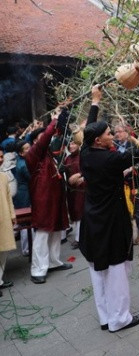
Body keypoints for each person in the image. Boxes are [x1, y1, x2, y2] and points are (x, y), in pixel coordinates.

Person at [79, 85, 139, 333]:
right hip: (112, 221)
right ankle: (120, 318)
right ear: (98, 140)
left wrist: (95, 101)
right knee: (116, 271)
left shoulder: (85, 154)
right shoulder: (111, 160)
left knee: (97, 271)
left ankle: (105, 317)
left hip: (92, 220)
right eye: (109, 134)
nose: (112, 136)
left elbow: (87, 129)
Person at [24, 110, 72, 284]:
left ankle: (53, 262)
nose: (48, 139)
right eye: (44, 137)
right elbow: (46, 139)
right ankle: (38, 269)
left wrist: (62, 117)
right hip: (43, 199)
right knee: (43, 232)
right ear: (37, 141)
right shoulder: (34, 154)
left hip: (55, 198)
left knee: (56, 231)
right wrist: (53, 121)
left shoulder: (48, 155)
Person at [114, 123, 139, 245]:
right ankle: (127, 234)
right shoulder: (114, 146)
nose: (117, 134)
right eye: (116, 132)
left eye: (120, 131)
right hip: (121, 182)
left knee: (137, 208)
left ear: (127, 132)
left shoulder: (133, 145)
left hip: (133, 181)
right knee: (125, 208)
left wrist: (129, 169)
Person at [63, 134, 86, 250]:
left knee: (80, 213)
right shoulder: (67, 158)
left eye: (74, 143)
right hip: (71, 191)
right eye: (70, 144)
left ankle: (79, 238)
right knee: (74, 213)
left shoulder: (83, 156)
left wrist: (81, 176)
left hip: (81, 190)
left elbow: (87, 170)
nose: (72, 146)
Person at [0, 149, 16, 293]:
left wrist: (12, 215)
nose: (0, 159)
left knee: (4, 251)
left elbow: (8, 197)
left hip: (4, 218)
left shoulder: (4, 176)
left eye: (1, 156)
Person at [13, 140, 31, 256]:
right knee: (25, 223)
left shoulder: (20, 162)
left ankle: (27, 248)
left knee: (24, 223)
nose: (30, 150)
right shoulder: (24, 165)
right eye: (27, 149)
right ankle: (26, 249)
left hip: (21, 193)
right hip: (24, 194)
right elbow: (31, 178)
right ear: (21, 153)